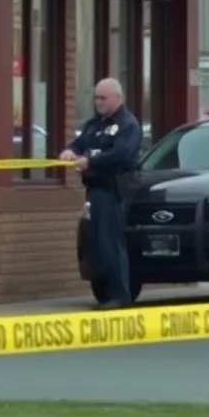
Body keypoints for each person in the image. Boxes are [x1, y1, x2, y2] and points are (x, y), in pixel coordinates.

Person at [59, 77, 142, 310]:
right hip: (94, 191)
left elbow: (122, 156)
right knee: (95, 242)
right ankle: (104, 293)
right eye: (96, 98)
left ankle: (120, 294)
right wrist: (69, 151)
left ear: (118, 98)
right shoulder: (94, 125)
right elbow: (79, 143)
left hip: (112, 190)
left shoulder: (127, 125)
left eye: (103, 98)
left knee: (110, 242)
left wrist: (90, 160)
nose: (99, 103)